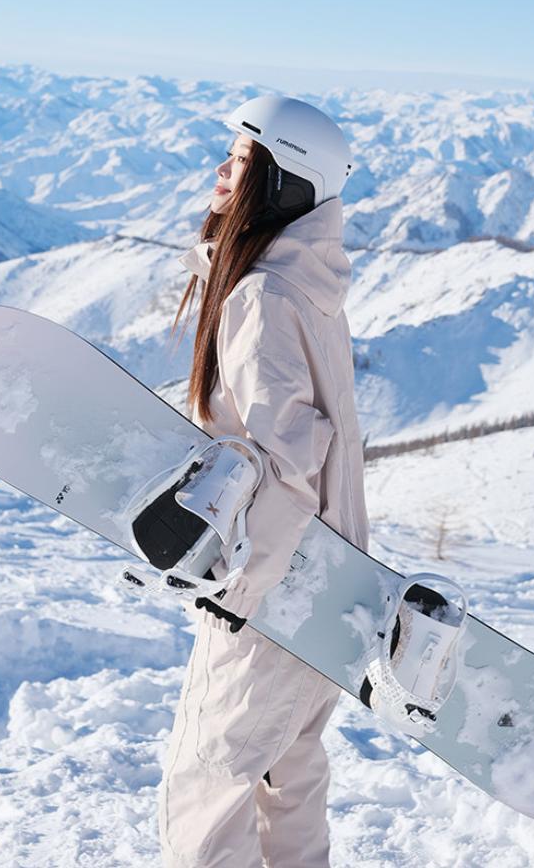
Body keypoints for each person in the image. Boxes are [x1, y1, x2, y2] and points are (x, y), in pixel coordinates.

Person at [158, 94, 370, 868]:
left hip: (276, 588)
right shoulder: (304, 285)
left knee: (206, 796)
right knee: (289, 774)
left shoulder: (264, 297)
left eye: (242, 160)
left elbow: (287, 460)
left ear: (281, 182)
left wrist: (237, 599)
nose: (221, 170)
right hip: (327, 579)